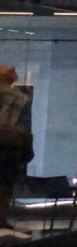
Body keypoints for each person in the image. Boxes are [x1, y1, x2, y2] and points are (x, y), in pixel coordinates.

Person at [0, 64, 31, 237]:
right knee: (5, 186)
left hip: (7, 143)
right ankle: (1, 220)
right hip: (10, 144)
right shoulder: (21, 97)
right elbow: (24, 126)